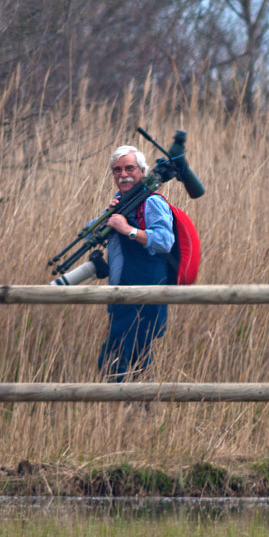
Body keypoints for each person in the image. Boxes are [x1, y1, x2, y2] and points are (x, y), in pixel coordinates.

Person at [97, 145, 174, 381]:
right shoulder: (119, 203)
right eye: (117, 170)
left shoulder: (151, 202)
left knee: (113, 360)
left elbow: (165, 241)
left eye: (129, 168)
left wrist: (129, 230)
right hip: (121, 295)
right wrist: (105, 221)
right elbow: (94, 235)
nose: (123, 174)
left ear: (142, 171)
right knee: (137, 362)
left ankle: (123, 410)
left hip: (144, 295)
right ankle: (141, 412)